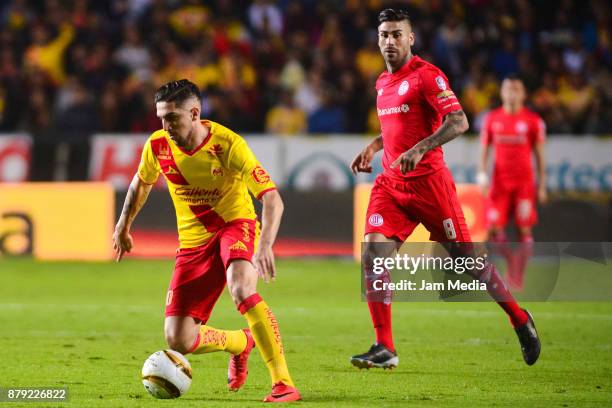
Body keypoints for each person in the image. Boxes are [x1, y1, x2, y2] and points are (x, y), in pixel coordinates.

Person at [349, 9, 540, 370]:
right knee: (374, 254)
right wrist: (375, 147)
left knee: (470, 263)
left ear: (411, 38)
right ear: (378, 40)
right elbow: (395, 129)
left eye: (397, 34)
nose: (390, 41)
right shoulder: (381, 83)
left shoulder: (427, 76)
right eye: (384, 35)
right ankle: (384, 346)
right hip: (391, 185)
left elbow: (459, 120)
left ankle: (518, 318)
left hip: (430, 187)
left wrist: (421, 147)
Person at [112, 79, 301, 403]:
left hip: (234, 225)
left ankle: (283, 383)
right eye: (161, 118)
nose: (166, 126)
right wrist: (123, 225)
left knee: (242, 289)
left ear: (195, 113)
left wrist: (265, 244)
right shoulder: (157, 145)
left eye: (173, 118)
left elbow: (272, 198)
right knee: (178, 338)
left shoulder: (228, 144)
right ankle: (241, 343)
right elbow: (140, 184)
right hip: (192, 243)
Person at [478, 75, 547, 290]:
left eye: (516, 89)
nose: (512, 93)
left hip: (524, 184)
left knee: (524, 231)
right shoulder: (492, 119)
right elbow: (484, 149)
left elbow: (539, 155)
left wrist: (542, 185)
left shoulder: (533, 121)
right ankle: (511, 262)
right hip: (499, 184)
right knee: (494, 229)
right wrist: (482, 175)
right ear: (502, 93)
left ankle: (518, 277)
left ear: (524, 94)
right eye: (508, 88)